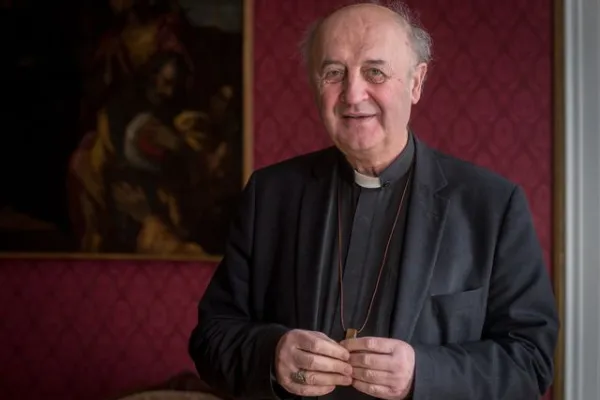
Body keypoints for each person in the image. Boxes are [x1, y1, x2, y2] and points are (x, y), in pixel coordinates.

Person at [188, 1, 559, 399]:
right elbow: (212, 336)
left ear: (416, 83)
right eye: (334, 73)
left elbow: (531, 362)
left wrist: (423, 374)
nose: (352, 94)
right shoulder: (270, 194)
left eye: (375, 72)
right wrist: (271, 354)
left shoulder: (492, 206)